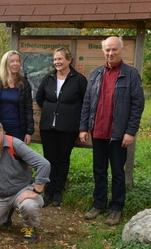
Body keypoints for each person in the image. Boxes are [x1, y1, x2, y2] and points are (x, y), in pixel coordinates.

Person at [79, 36, 144, 226]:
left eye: (114, 49)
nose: (111, 53)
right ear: (103, 51)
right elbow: (87, 103)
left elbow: (137, 105)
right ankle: (99, 204)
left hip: (118, 134)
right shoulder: (96, 73)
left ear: (121, 50)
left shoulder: (131, 74)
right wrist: (84, 127)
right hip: (98, 131)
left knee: (117, 172)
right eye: (107, 50)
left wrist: (130, 132)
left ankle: (116, 208)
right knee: (99, 171)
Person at [0, 50, 34, 224]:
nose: (15, 64)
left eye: (17, 61)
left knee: (17, 168)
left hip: (17, 130)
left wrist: (29, 131)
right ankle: (0, 210)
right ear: (6, 63)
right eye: (12, 61)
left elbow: (28, 108)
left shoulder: (23, 83)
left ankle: (15, 206)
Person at [36, 47, 87, 207]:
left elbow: (86, 102)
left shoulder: (78, 79)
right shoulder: (48, 78)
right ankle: (48, 191)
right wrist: (52, 109)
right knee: (49, 160)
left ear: (69, 60)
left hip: (68, 127)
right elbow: (39, 98)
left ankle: (58, 191)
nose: (57, 62)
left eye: (60, 59)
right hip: (48, 127)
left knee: (63, 159)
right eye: (55, 59)